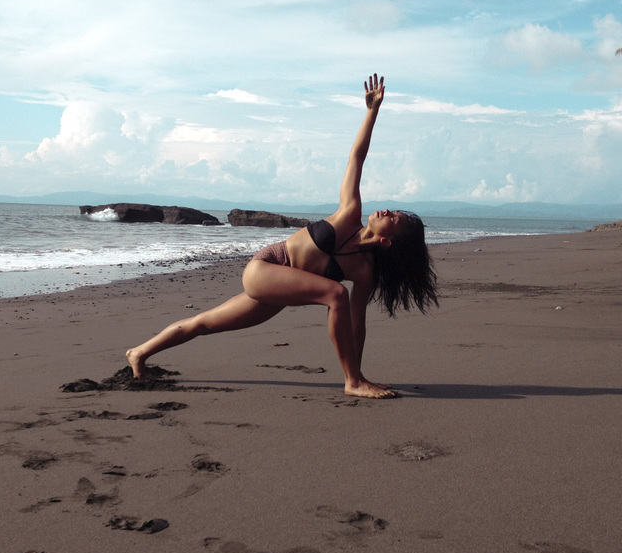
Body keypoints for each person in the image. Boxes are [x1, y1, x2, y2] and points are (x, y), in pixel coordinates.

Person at [126, 74, 438, 398]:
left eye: (394, 218)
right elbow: (355, 158)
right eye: (392, 210)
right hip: (264, 269)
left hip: (277, 292)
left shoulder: (364, 271)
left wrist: (362, 369)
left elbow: (356, 326)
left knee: (204, 324)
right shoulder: (348, 214)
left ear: (388, 242)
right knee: (335, 294)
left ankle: (139, 353)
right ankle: (352, 383)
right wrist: (371, 111)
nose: (387, 211)